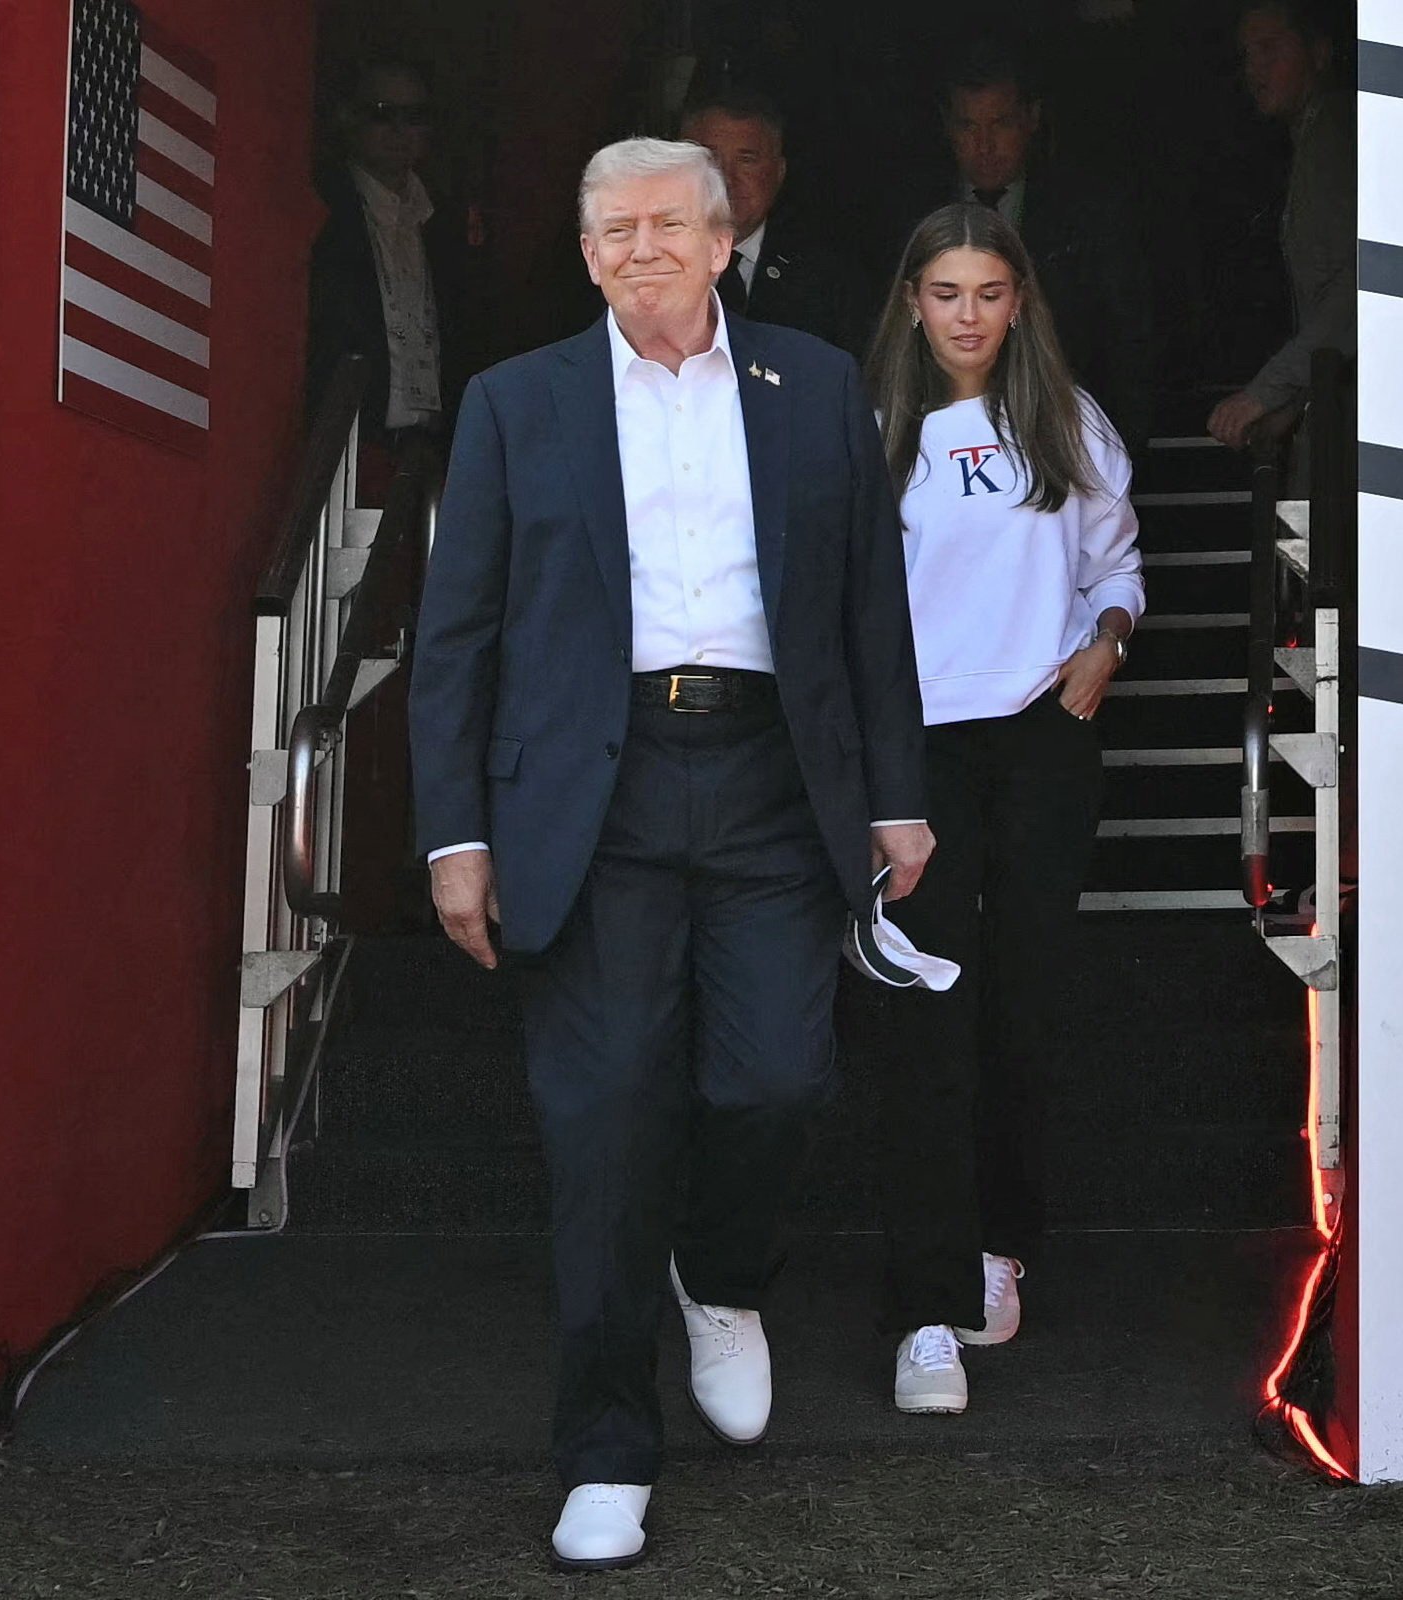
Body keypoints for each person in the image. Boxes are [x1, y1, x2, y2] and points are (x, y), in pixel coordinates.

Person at [409, 137, 932, 1569]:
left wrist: (895, 793)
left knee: (778, 1078)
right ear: (586, 256)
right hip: (593, 793)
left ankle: (719, 1267)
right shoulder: (516, 402)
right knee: (603, 1119)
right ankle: (602, 1451)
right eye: (612, 229)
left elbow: (868, 609)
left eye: (665, 224)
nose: (639, 247)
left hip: (771, 777)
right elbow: (455, 635)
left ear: (719, 242)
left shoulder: (813, 384)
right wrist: (455, 833)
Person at [860, 202, 1142, 1415]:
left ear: (1018, 301)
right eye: (944, 294)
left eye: (987, 293)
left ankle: (997, 1245)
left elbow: (1114, 564)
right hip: (916, 746)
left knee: (1023, 997)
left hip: (1039, 735)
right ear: (910, 304)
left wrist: (1107, 640)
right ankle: (922, 1310)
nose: (966, 316)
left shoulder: (1066, 423)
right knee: (927, 1009)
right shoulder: (872, 429)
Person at [904, 45, 1157, 452]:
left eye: (1000, 124)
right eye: (969, 126)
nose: (984, 145)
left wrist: (1119, 445)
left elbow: (1127, 340)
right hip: (940, 442)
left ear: (1031, 119)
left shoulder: (1087, 214)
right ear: (947, 126)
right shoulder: (914, 216)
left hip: (1067, 439)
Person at [1206, 0, 1355, 459]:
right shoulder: (1312, 137)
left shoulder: (1336, 135)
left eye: (1270, 49)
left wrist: (1267, 392)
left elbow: (1359, 289)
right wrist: (1291, 400)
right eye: (1248, 55)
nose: (1255, 70)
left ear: (1319, 53)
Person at [305, 61, 461, 453]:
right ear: (349, 116)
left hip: (430, 449)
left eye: (414, 117)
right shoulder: (321, 209)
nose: (399, 130)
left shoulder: (444, 224)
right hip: (349, 446)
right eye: (382, 114)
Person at [680, 88, 871, 354]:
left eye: (746, 160)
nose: (725, 179)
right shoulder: (646, 261)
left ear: (779, 172)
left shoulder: (829, 278)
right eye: (709, 160)